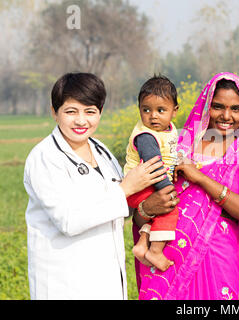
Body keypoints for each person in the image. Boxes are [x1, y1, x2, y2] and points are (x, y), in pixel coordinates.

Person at [23, 72, 166, 300]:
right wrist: (125, 189)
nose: (81, 121)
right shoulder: (44, 158)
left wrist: (146, 206)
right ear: (54, 112)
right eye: (71, 111)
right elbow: (68, 220)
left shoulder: (102, 151)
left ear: (100, 112)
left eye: (90, 111)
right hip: (65, 284)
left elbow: (119, 207)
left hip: (107, 280)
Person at [131, 72, 239, 300]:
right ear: (206, 106)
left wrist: (201, 178)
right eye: (218, 107)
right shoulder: (182, 144)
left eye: (235, 108)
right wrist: (145, 210)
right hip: (165, 259)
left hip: (216, 260)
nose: (226, 115)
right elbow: (147, 202)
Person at [124, 76, 179, 272]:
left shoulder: (169, 131)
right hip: (140, 185)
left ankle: (142, 244)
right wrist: (167, 189)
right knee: (169, 208)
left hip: (150, 183)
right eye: (146, 110)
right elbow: (154, 164)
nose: (153, 116)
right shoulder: (146, 136)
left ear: (174, 111)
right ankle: (155, 251)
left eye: (160, 110)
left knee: (157, 215)